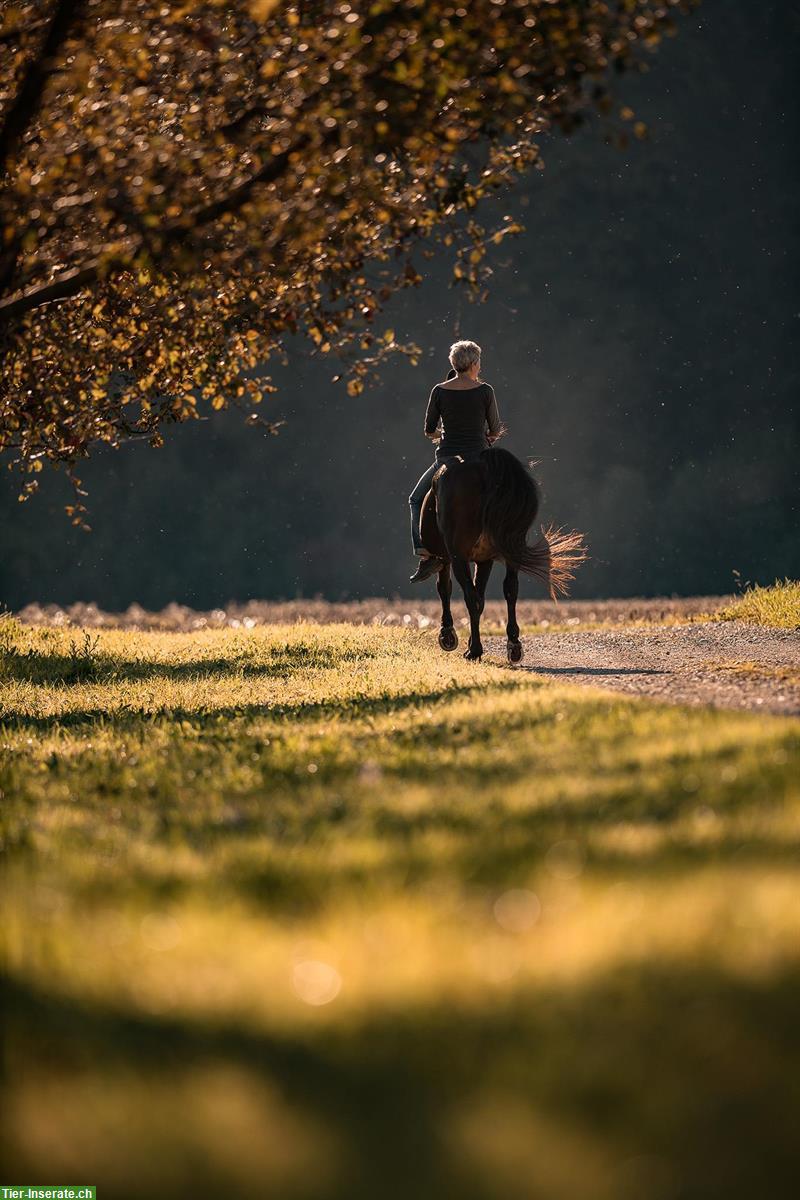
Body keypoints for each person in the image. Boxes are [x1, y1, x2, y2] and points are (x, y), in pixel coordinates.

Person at [408, 339, 503, 582]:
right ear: (472, 363)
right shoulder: (486, 391)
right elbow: (494, 429)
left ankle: (425, 554)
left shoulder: (439, 390)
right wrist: (487, 435)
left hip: (446, 460)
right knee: (505, 496)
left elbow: (429, 429)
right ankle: (507, 541)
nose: (480, 366)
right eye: (479, 361)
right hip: (480, 459)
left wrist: (443, 434)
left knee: (416, 499)